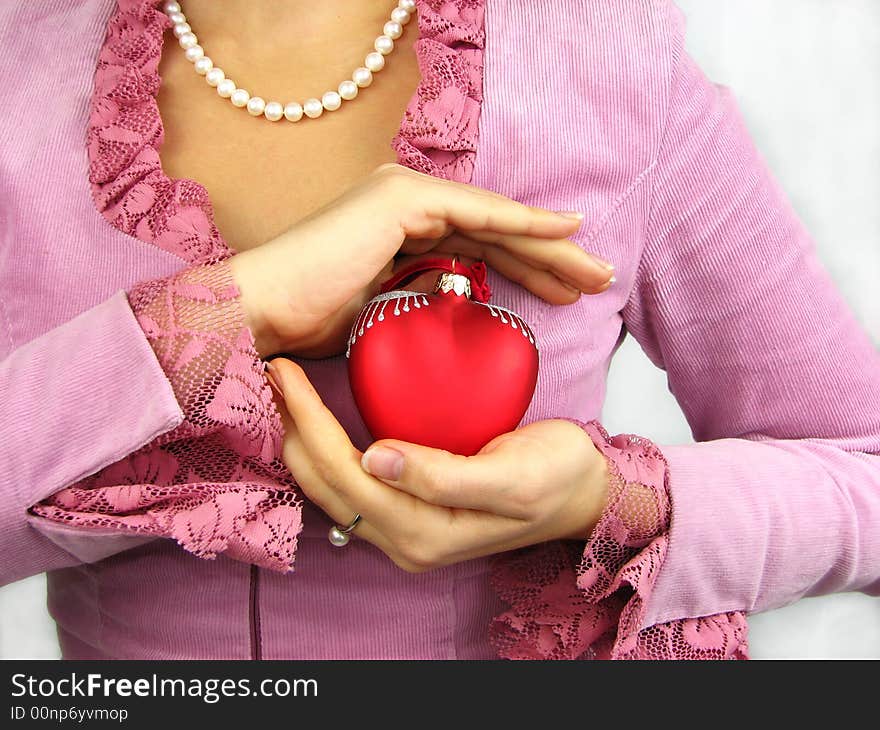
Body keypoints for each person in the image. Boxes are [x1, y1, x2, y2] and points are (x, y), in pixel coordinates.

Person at [0, 0, 878, 660]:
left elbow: (864, 475)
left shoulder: (602, 60)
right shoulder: (17, 67)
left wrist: (604, 502)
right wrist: (239, 306)